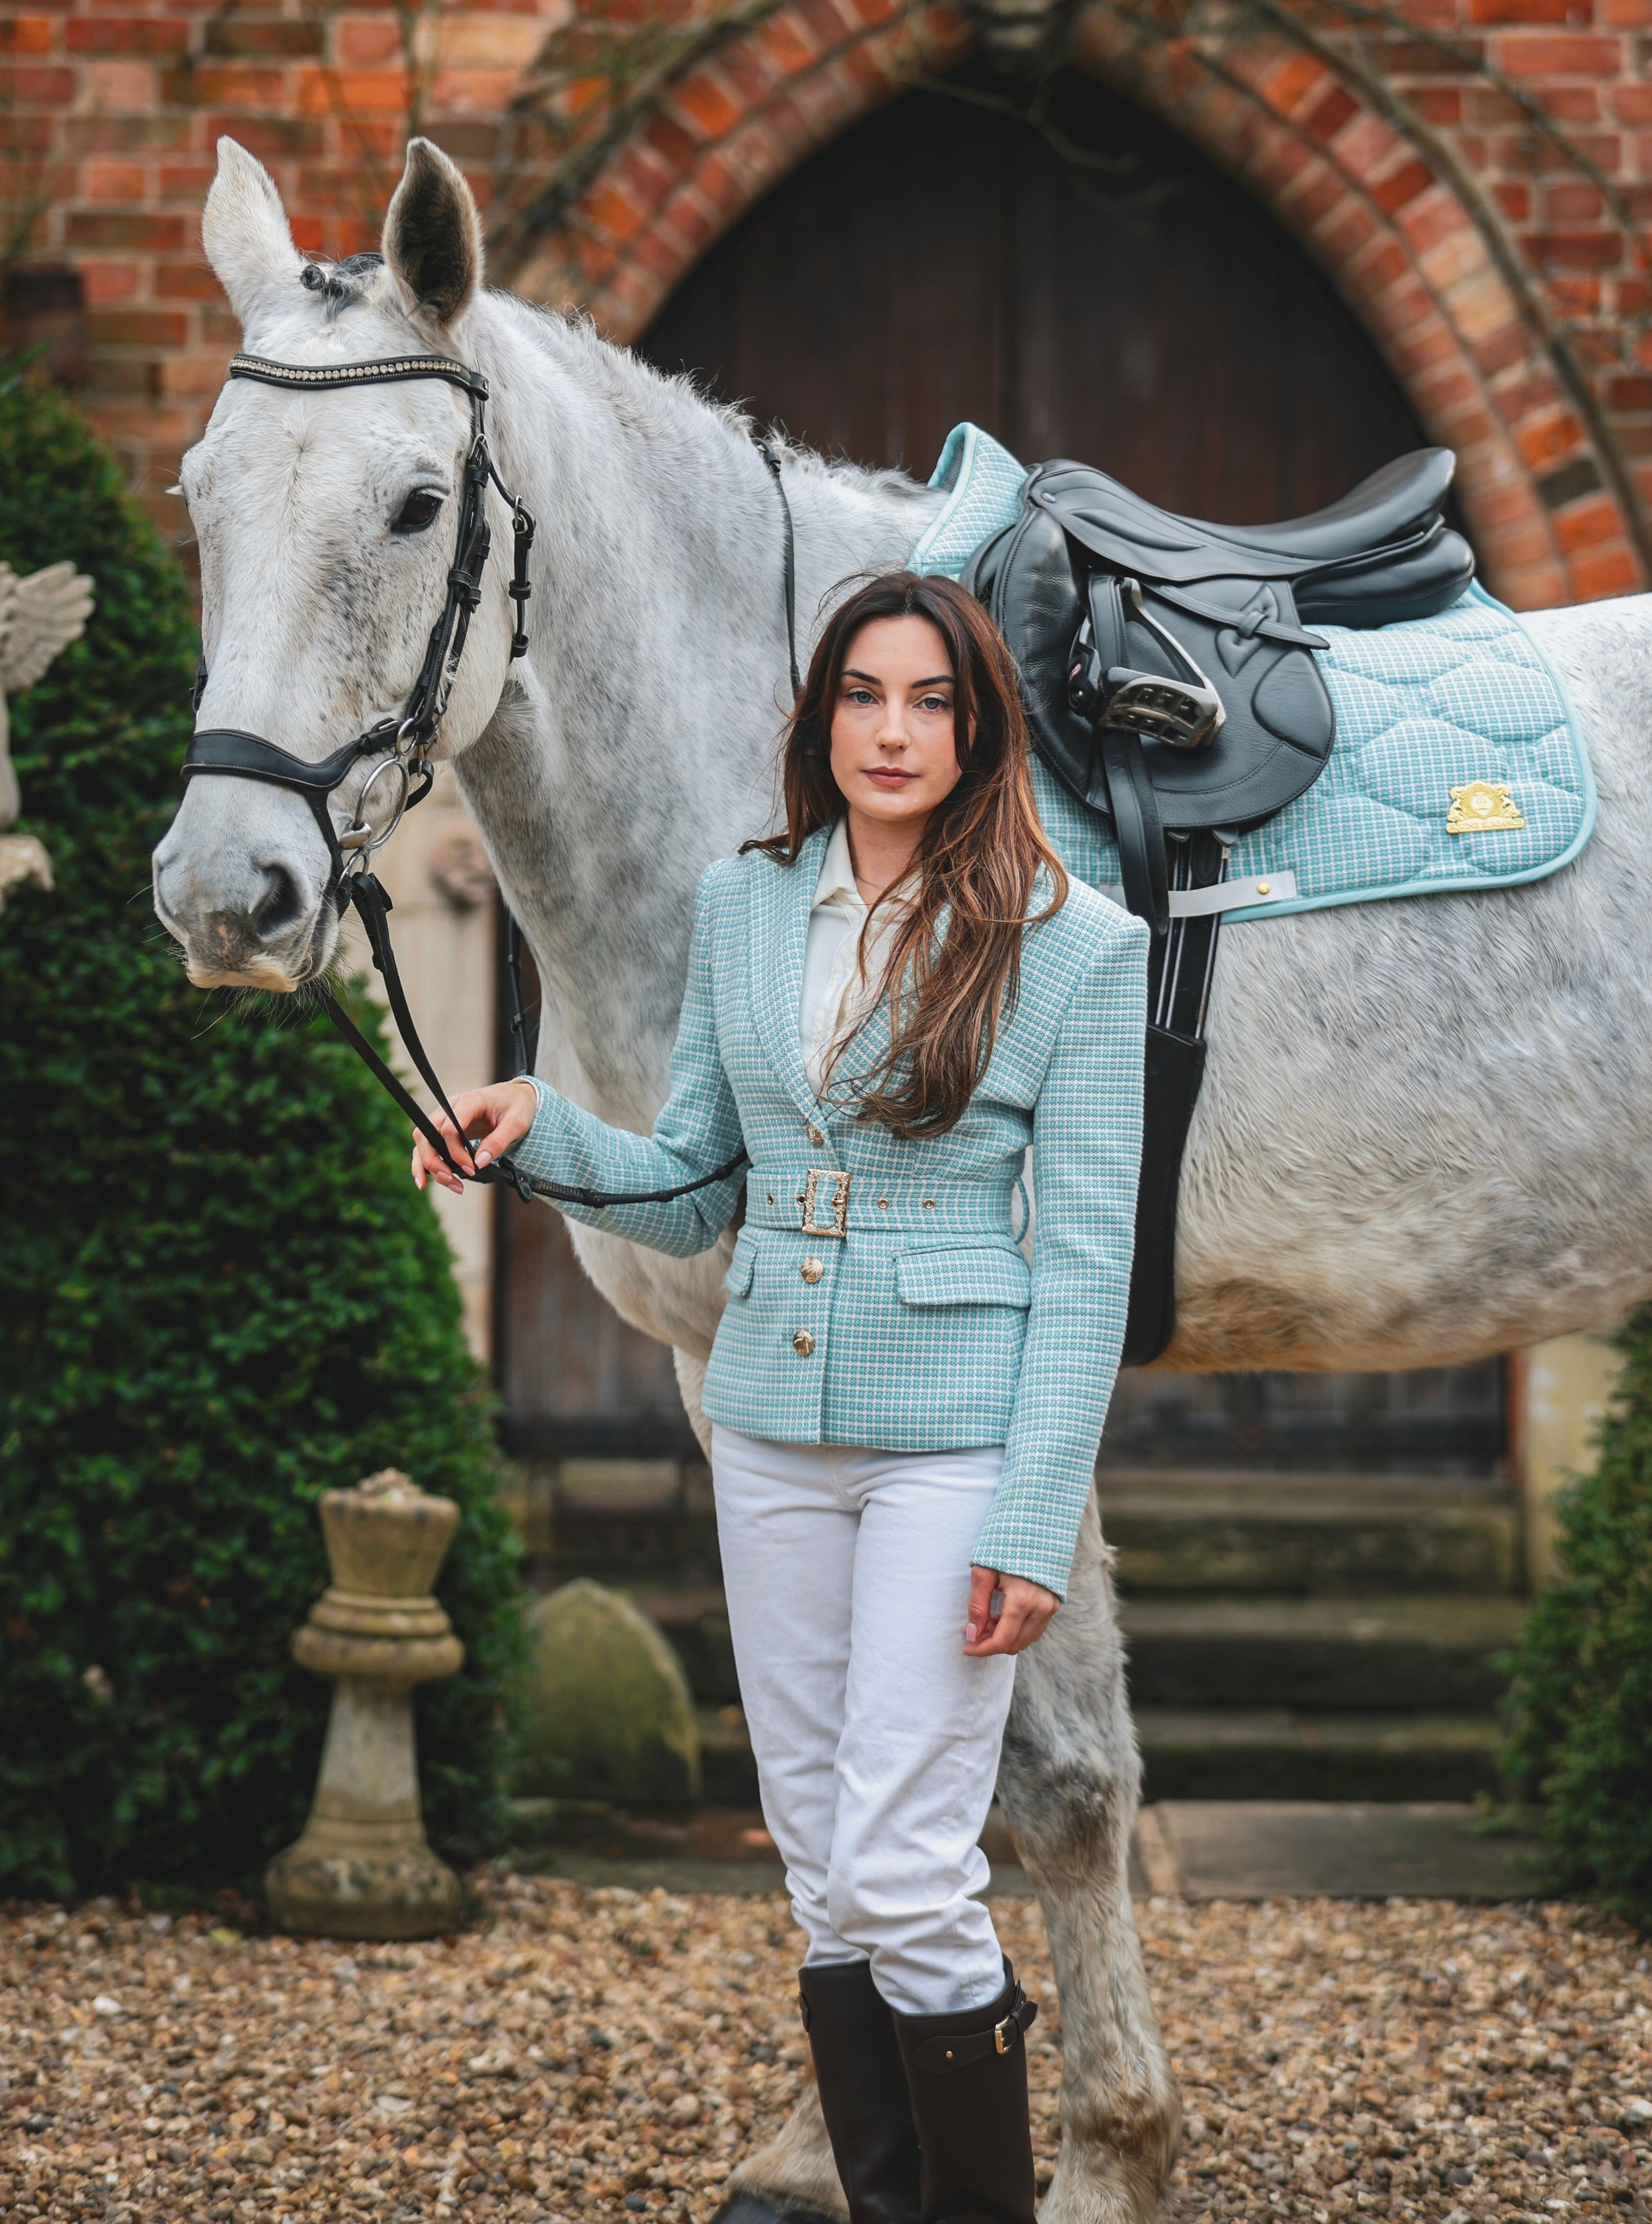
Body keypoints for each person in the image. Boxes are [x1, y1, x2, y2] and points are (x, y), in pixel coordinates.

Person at [416, 570, 1147, 2224]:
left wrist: (1036, 1519)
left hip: (953, 1444)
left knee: (905, 1865)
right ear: (821, 719)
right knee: (824, 1868)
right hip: (767, 1427)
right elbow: (691, 1186)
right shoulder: (745, 907)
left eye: (932, 701)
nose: (894, 732)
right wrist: (544, 1128)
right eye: (864, 697)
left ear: (978, 729)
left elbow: (1090, 1264)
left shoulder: (1072, 947)